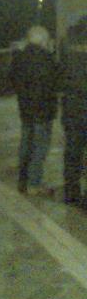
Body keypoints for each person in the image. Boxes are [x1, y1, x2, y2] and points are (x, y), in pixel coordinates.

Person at [8, 25, 58, 196]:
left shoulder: (19, 57)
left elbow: (12, 80)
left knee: (26, 146)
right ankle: (34, 184)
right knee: (39, 149)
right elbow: (55, 82)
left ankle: (23, 181)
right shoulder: (46, 58)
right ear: (43, 40)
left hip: (26, 109)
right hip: (43, 111)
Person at [59, 19, 87, 207]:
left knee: (73, 150)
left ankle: (71, 191)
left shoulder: (67, 40)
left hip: (72, 105)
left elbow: (63, 72)